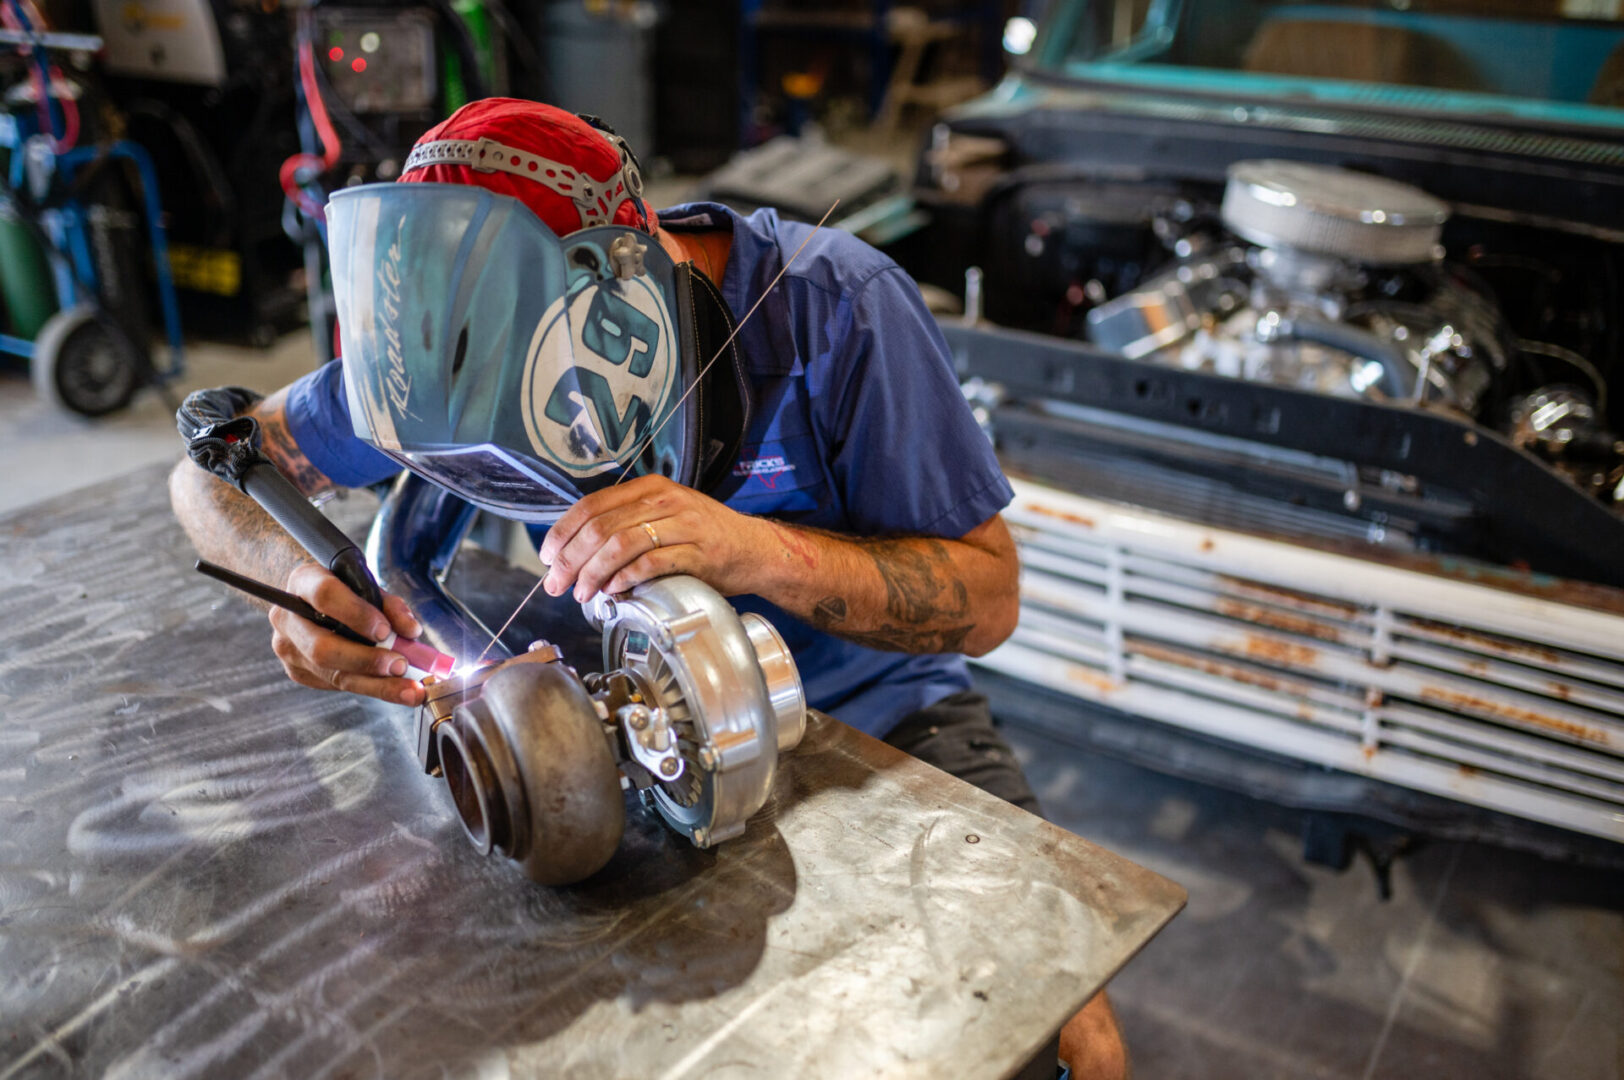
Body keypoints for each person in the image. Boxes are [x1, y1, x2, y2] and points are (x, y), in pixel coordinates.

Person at [168, 98, 1126, 1080]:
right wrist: (289, 578)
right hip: (628, 730)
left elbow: (988, 597)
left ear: (615, 282)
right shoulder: (439, 341)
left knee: (1063, 1039)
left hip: (877, 725)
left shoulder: (836, 307)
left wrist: (752, 551)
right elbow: (212, 466)